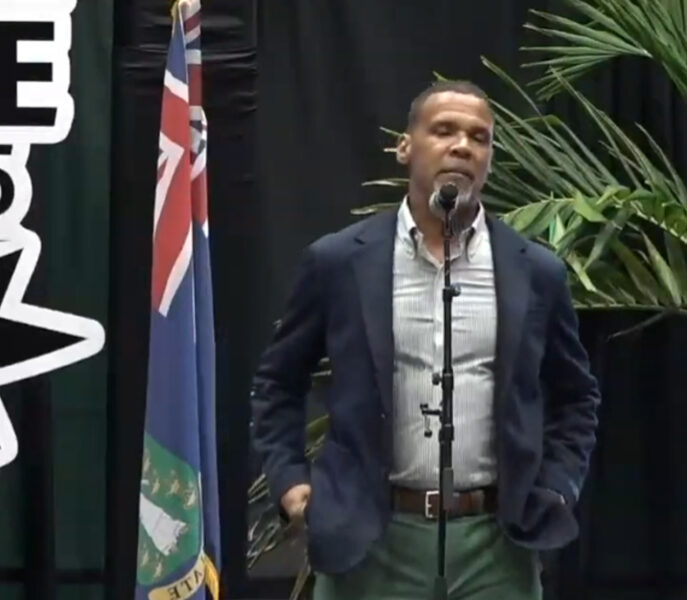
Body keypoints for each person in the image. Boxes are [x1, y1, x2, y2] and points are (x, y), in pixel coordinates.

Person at [250, 80, 601, 600]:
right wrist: (291, 485)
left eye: (479, 137)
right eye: (444, 131)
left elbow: (576, 396)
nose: (462, 146)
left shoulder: (535, 272)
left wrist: (556, 488)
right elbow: (278, 382)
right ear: (405, 147)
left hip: (496, 544)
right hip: (370, 541)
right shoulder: (340, 262)